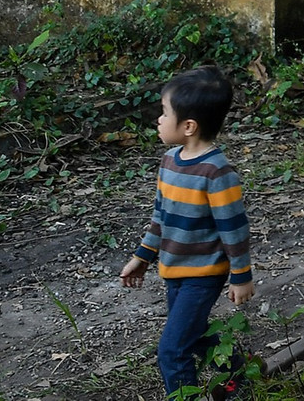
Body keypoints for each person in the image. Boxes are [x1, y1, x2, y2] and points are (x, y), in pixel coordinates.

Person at [119, 66, 256, 394]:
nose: (159, 120)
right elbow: (160, 217)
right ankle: (238, 378)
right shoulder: (169, 162)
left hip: (204, 274)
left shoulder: (216, 173)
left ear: (189, 126)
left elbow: (234, 230)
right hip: (174, 269)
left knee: (172, 350)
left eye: (164, 113)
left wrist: (241, 276)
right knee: (193, 337)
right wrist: (143, 256)